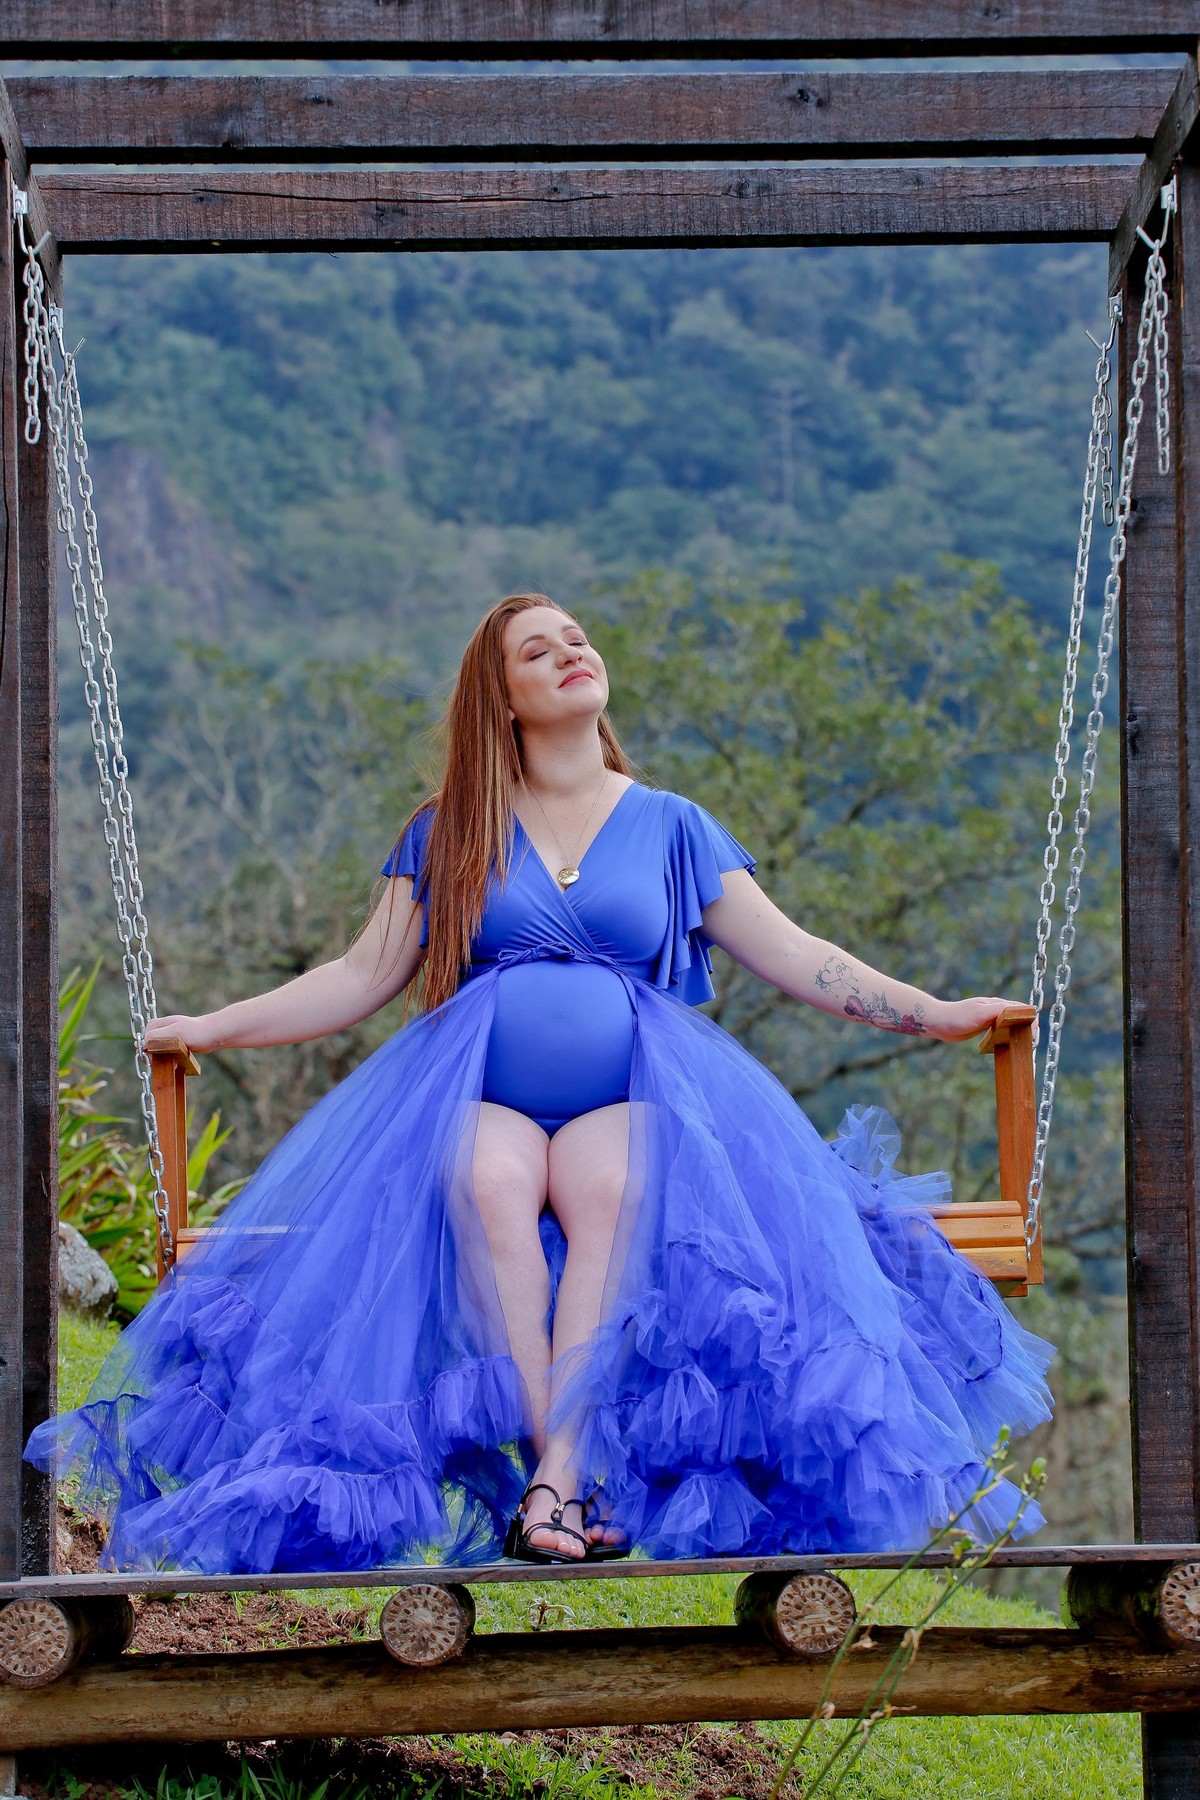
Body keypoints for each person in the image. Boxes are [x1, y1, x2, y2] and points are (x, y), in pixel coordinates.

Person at [27, 592, 1053, 1572]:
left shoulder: (672, 824)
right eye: (538, 649)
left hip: (627, 1098)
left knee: (615, 1188)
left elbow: (796, 955)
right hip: (487, 1097)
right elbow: (359, 975)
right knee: (483, 1181)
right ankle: (548, 1469)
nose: (570, 653)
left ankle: (558, 1478)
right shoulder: (451, 828)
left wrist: (933, 1012)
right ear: (503, 698)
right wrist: (212, 1027)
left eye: (577, 638)